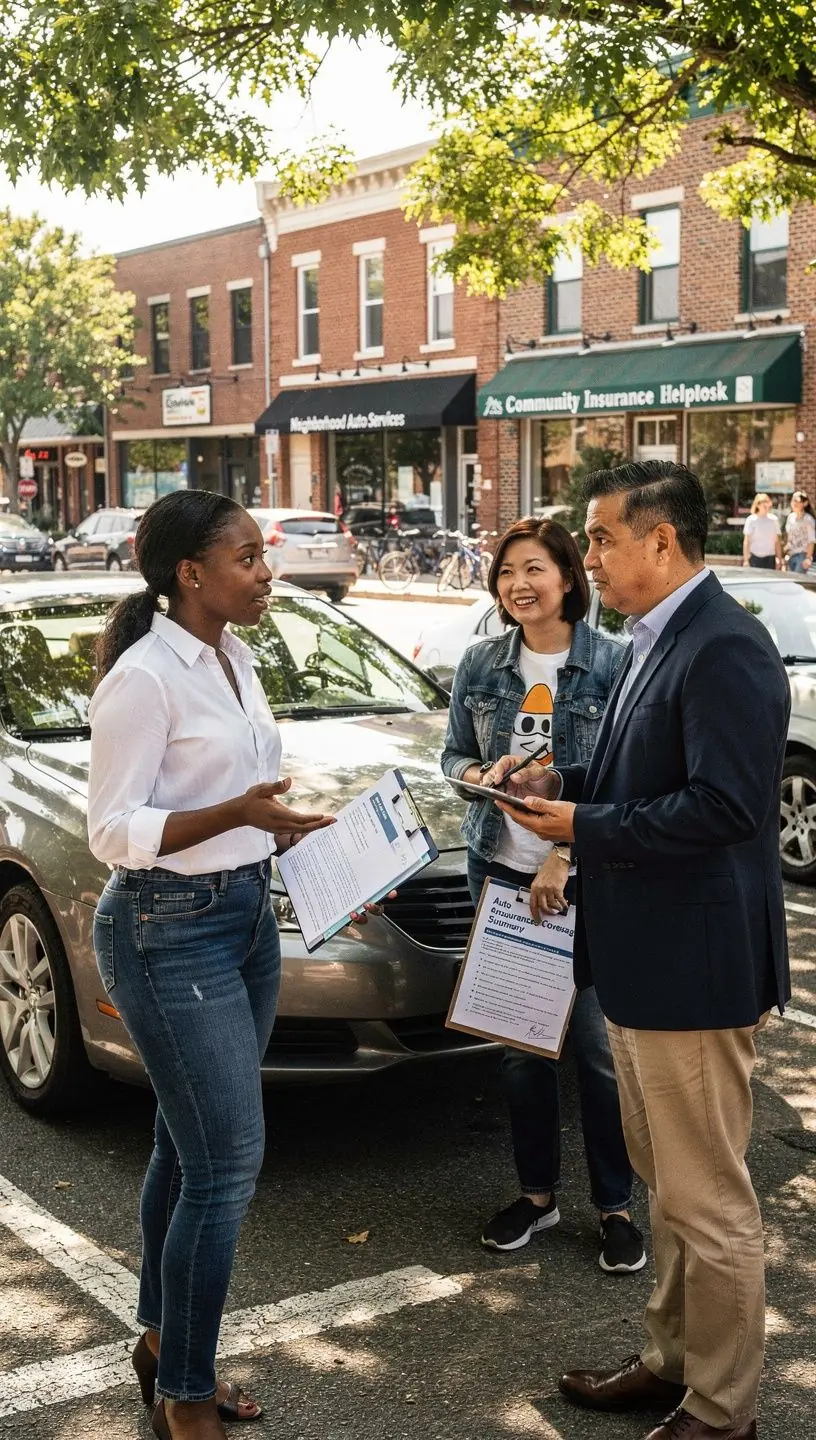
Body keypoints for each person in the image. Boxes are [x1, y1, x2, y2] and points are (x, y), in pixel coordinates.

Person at [491, 461, 790, 1440]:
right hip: (642, 961)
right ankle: (672, 1363)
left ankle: (725, 1406)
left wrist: (578, 823)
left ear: (663, 541)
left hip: (694, 973)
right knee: (671, 1194)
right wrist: (552, 778)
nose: (593, 556)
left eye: (605, 538)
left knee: (710, 1202)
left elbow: (726, 807)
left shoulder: (726, 647)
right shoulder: (649, 640)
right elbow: (638, 774)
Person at [88, 492, 341, 1440]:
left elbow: (239, 793)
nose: (266, 571)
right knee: (227, 1163)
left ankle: (162, 1345)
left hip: (241, 917)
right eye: (247, 558)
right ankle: (185, 1393)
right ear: (190, 574)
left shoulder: (232, 657)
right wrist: (238, 814)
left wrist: (291, 834)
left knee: (185, 1148)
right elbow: (112, 831)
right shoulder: (145, 678)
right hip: (165, 931)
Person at [441, 517, 644, 1273]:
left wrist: (565, 851)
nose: (518, 586)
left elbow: (625, 781)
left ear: (567, 576)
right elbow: (454, 752)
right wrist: (477, 776)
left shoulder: (614, 664)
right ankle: (536, 1197)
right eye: (505, 574)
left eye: (534, 569)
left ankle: (616, 1206)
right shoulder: (481, 662)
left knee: (594, 1052)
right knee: (520, 1049)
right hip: (498, 873)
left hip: (583, 884)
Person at [742, 492, 781, 569]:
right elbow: (747, 541)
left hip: (770, 558)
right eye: (763, 503)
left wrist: (779, 559)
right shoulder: (751, 520)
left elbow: (777, 542)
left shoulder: (774, 520)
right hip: (755, 558)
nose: (766, 505)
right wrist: (746, 560)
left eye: (767, 502)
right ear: (758, 505)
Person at [784, 490, 816, 572]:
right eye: (793, 500)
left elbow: (811, 540)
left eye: (797, 501)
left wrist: (808, 558)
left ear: (804, 503)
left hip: (802, 556)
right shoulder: (790, 517)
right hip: (791, 555)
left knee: (797, 581)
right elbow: (789, 539)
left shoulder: (808, 520)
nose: (794, 503)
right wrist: (784, 553)